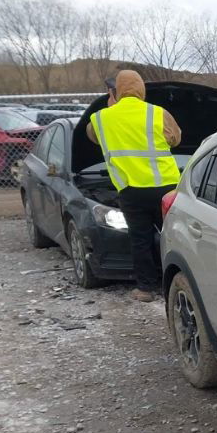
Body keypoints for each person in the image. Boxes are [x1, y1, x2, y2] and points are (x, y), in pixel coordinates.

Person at [86, 70, 182, 302]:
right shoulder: (157, 113)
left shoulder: (100, 118)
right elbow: (176, 138)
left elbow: (92, 137)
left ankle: (146, 288)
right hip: (166, 188)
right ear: (141, 89)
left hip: (131, 190)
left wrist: (112, 106)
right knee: (175, 237)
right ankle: (180, 281)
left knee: (140, 239)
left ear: (116, 91)